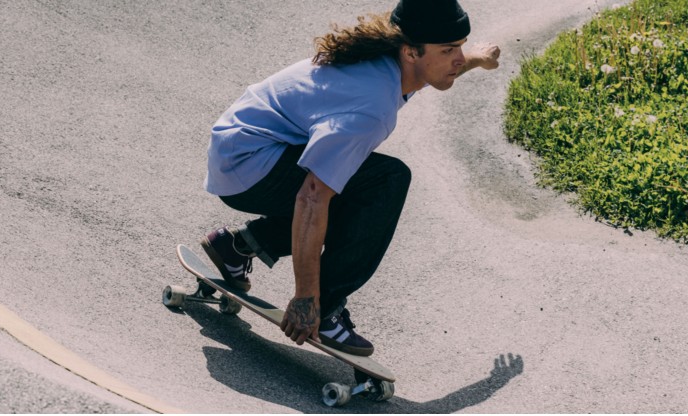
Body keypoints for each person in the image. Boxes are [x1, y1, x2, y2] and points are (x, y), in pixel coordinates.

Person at [200, 0, 500, 356]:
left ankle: (236, 246)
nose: (458, 58)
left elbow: (430, 75)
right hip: (249, 166)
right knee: (385, 184)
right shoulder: (370, 108)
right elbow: (311, 196)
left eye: (461, 46)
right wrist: (306, 298)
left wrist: (477, 58)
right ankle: (326, 311)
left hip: (242, 150)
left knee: (350, 188)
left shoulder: (390, 64)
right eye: (450, 50)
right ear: (410, 51)